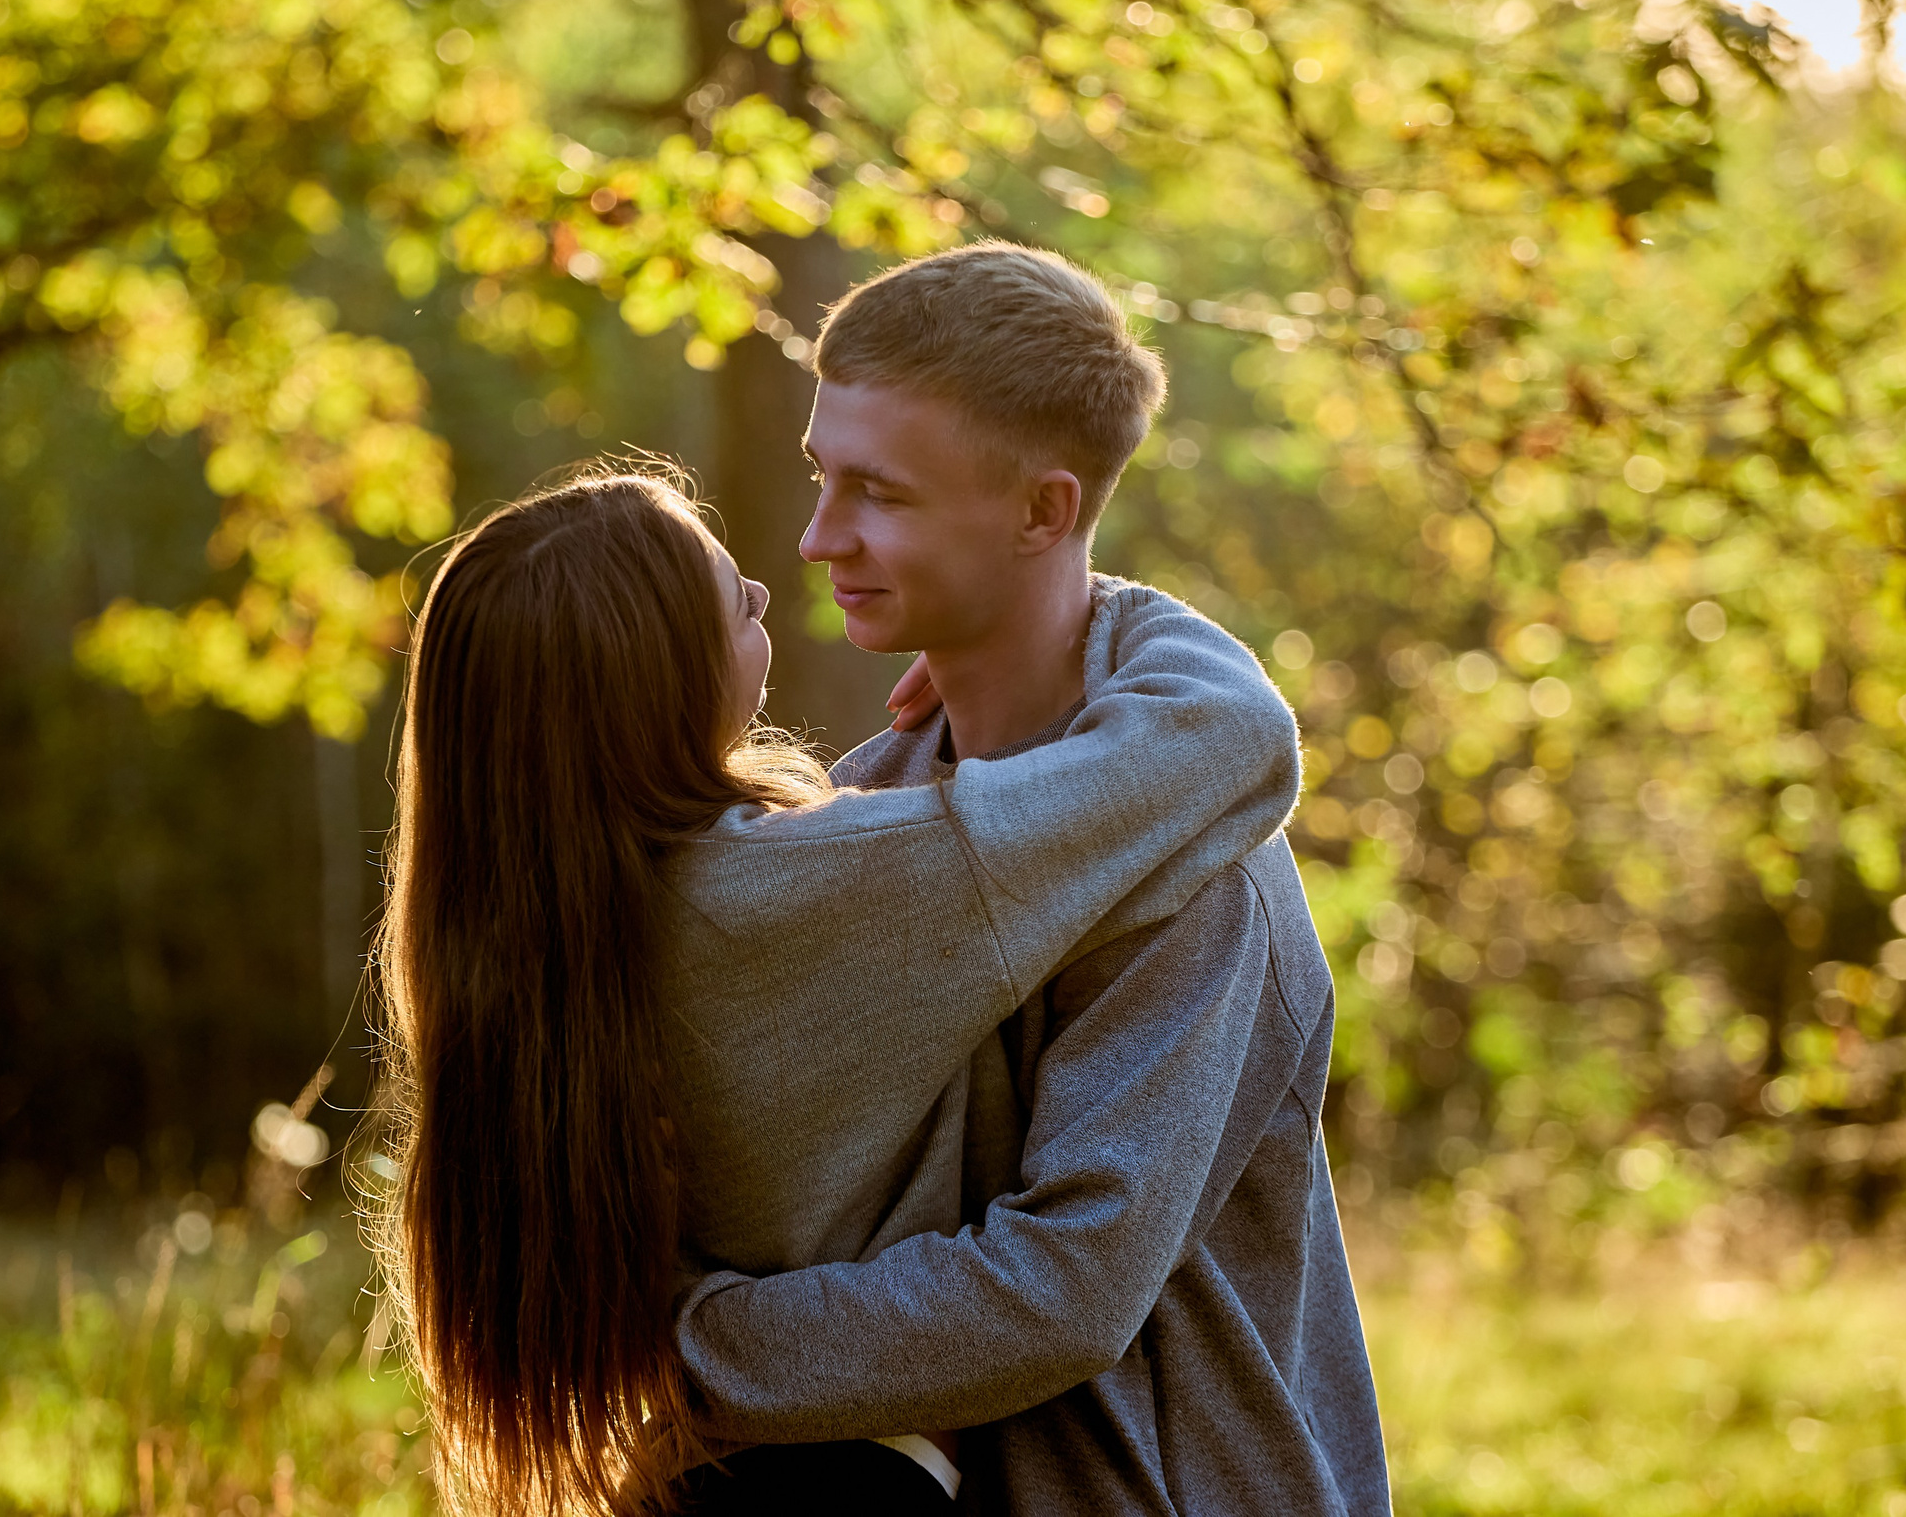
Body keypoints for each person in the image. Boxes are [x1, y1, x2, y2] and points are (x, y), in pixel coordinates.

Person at [363, 465, 1301, 1516]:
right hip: (859, 1473)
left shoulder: (534, 929)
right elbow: (1233, 734)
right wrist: (1079, 618)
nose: (770, 587)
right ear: (652, 675)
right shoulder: (798, 895)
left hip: (702, 1474)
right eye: (732, 600)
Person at [672, 242, 1392, 1513]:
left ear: (1043, 514)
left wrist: (669, 1351)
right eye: (823, 475)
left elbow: (1064, 1289)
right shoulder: (869, 809)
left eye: (879, 493)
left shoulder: (1198, 876)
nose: (819, 536)